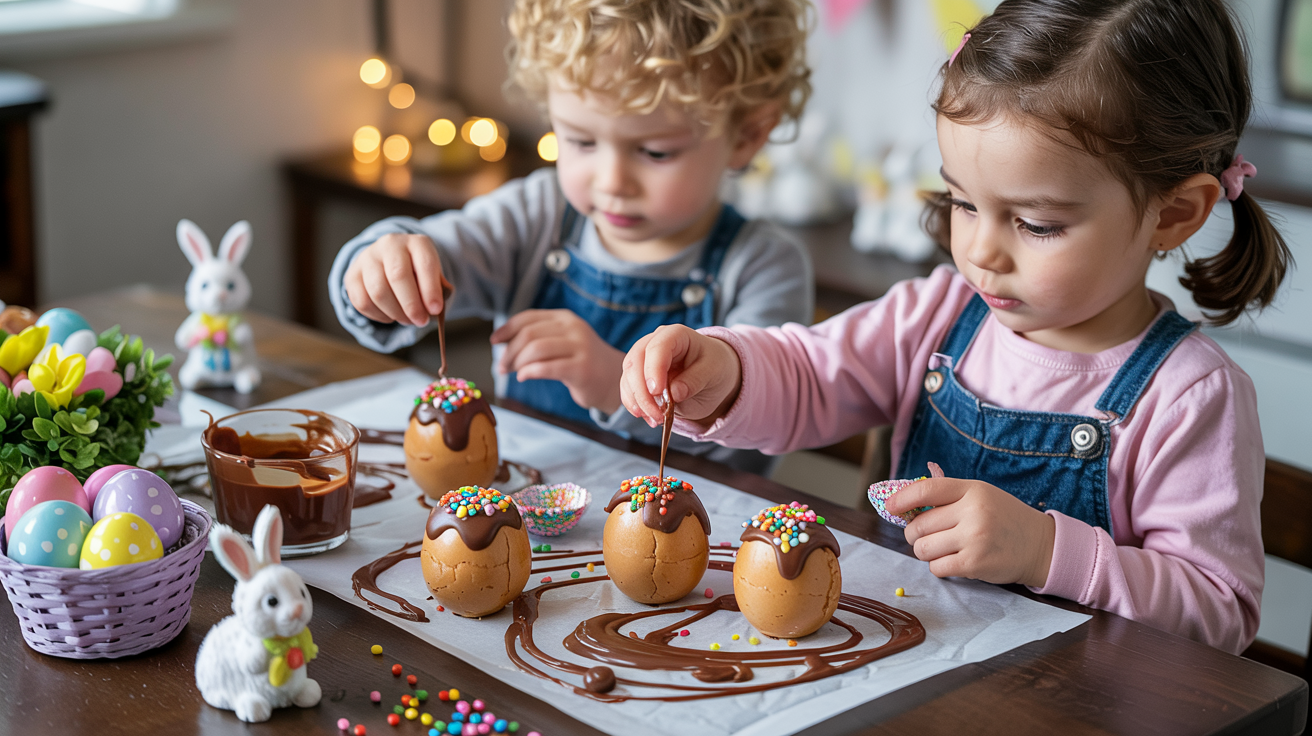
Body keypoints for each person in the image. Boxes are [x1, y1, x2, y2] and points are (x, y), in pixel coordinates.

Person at [619, 0, 1292, 654]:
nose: (981, 252)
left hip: (1069, 702)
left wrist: (1045, 551)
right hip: (894, 666)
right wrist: (726, 371)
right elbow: (811, 375)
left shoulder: (1190, 396)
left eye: (1036, 224)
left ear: (1173, 214)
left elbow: (1217, 615)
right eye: (963, 203)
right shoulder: (938, 315)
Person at [329, 0, 814, 473]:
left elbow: (753, 439)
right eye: (581, 141)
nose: (611, 181)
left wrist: (612, 384)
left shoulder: (764, 267)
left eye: (655, 152)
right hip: (523, 503)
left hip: (685, 520)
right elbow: (442, 253)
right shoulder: (537, 213)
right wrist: (381, 264)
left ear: (747, 135)